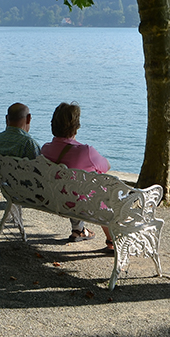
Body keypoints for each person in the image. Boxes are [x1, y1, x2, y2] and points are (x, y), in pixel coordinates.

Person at [41, 102, 114, 250]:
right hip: (82, 205)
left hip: (55, 200)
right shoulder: (85, 151)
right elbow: (106, 166)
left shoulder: (45, 149)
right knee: (99, 193)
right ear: (76, 126)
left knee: (73, 188)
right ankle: (112, 242)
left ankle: (78, 230)